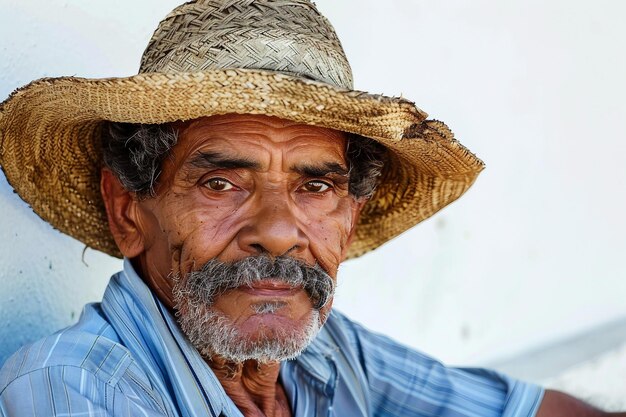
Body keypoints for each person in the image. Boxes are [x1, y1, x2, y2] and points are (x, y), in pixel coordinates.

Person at [0, 1, 621, 416]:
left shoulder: (323, 354)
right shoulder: (76, 390)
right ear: (128, 210)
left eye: (315, 187)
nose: (276, 233)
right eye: (221, 183)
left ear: (351, 216)